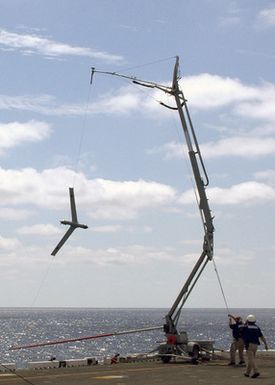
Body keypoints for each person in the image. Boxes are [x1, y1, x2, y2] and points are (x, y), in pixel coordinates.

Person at [243, 314, 268, 378]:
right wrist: (265, 344)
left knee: (251, 359)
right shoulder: (257, 327)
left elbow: (240, 331)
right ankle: (247, 373)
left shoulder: (246, 327)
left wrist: (245, 322)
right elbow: (262, 336)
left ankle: (256, 371)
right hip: (255, 345)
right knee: (251, 359)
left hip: (249, 345)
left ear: (248, 320)